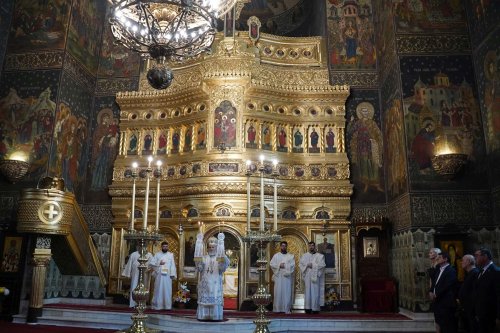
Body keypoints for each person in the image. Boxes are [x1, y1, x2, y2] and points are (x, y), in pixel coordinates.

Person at [195, 233, 230, 321]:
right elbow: (199, 268)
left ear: (216, 248)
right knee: (205, 297)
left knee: (215, 298)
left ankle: (215, 316)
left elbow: (223, 266)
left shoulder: (219, 258)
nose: (211, 249)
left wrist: (223, 253)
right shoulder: (204, 258)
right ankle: (203, 316)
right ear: (207, 248)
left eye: (213, 247)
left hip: (215, 283)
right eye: (210, 247)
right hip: (205, 282)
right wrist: (198, 246)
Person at [428, 251, 458, 333]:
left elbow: (447, 286)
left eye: (439, 257)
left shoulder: (451, 270)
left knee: (447, 325)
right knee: (438, 322)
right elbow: (434, 282)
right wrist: (431, 291)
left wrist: (436, 294)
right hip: (437, 302)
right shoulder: (439, 269)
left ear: (445, 259)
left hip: (445, 302)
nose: (437, 259)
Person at [473, 248, 500, 333]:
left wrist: (499, 317)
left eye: (477, 256)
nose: (475, 258)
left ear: (485, 257)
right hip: (481, 314)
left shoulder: (496, 272)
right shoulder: (481, 271)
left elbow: (499, 296)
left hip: (490, 315)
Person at [299, 241, 325, 314]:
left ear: (315, 247)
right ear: (308, 247)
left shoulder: (320, 256)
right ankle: (308, 308)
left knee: (315, 292)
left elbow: (322, 265)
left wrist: (313, 265)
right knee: (307, 292)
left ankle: (315, 308)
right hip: (307, 276)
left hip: (315, 276)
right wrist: (306, 265)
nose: (311, 247)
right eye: (310, 246)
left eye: (312, 246)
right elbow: (300, 265)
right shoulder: (304, 256)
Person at [150, 241, 176, 310]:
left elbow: (172, 265)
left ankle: (167, 306)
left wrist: (172, 274)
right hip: (159, 276)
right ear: (161, 247)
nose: (165, 248)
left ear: (168, 247)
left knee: (167, 290)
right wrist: (159, 263)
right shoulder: (157, 254)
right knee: (158, 290)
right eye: (164, 246)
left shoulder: (171, 255)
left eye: (166, 246)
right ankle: (158, 305)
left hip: (167, 276)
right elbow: (152, 264)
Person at [270, 241, 295, 313]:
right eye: (282, 246)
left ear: (287, 247)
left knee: (286, 292)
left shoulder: (290, 256)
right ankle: (277, 309)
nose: (283, 247)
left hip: (287, 278)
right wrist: (279, 265)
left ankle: (286, 308)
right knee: (278, 292)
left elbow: (292, 265)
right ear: (280, 247)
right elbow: (271, 264)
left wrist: (285, 265)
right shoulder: (276, 256)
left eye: (285, 246)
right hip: (278, 277)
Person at [458, 254, 479, 333]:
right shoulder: (469, 273)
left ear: (469, 262)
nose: (461, 262)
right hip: (466, 309)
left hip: (472, 310)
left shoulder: (475, 273)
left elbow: (474, 293)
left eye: (463, 260)